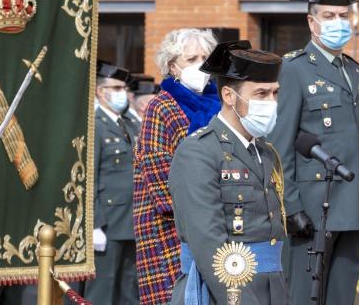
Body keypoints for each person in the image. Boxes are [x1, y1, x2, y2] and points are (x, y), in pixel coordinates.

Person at [269, 0, 359, 305]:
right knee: (304, 297)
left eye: (344, 15)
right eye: (328, 16)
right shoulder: (293, 69)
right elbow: (280, 144)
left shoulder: (353, 71)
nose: (338, 22)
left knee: (341, 296)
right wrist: (291, 207)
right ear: (311, 22)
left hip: (352, 207)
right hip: (313, 207)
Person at [169, 40, 287, 304]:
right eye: (260, 94)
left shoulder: (265, 151)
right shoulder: (198, 152)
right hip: (222, 292)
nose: (271, 102)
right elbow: (209, 244)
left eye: (274, 93)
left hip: (271, 288)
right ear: (229, 96)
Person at [133, 28, 218, 305]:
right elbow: (159, 177)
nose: (201, 65)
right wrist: (203, 212)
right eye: (192, 58)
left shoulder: (219, 103)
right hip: (172, 228)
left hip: (216, 222)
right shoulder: (161, 106)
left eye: (205, 57)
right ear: (172, 66)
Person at [85, 61, 140, 304]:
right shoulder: (95, 125)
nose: (122, 94)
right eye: (116, 88)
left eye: (123, 89)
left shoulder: (131, 124)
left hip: (133, 218)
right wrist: (95, 224)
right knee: (103, 290)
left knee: (129, 287)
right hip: (108, 221)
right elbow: (90, 177)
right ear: (100, 91)